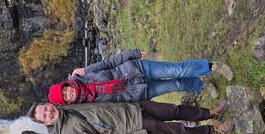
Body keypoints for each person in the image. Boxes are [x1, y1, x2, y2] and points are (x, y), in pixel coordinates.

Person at [27, 100, 233, 134]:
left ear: (48, 104)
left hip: (133, 108)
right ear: (46, 122)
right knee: (177, 130)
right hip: (136, 126)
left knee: (174, 110)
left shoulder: (65, 109)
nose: (48, 112)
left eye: (45, 108)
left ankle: (211, 113)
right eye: (44, 115)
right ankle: (215, 131)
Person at [47, 49, 233, 105]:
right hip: (138, 92)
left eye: (66, 90)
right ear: (68, 102)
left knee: (177, 71)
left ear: (66, 85)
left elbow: (110, 63)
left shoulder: (83, 74)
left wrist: (132, 53)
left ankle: (213, 66)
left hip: (136, 69)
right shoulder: (88, 107)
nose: (69, 93)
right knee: (176, 85)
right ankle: (200, 85)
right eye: (66, 97)